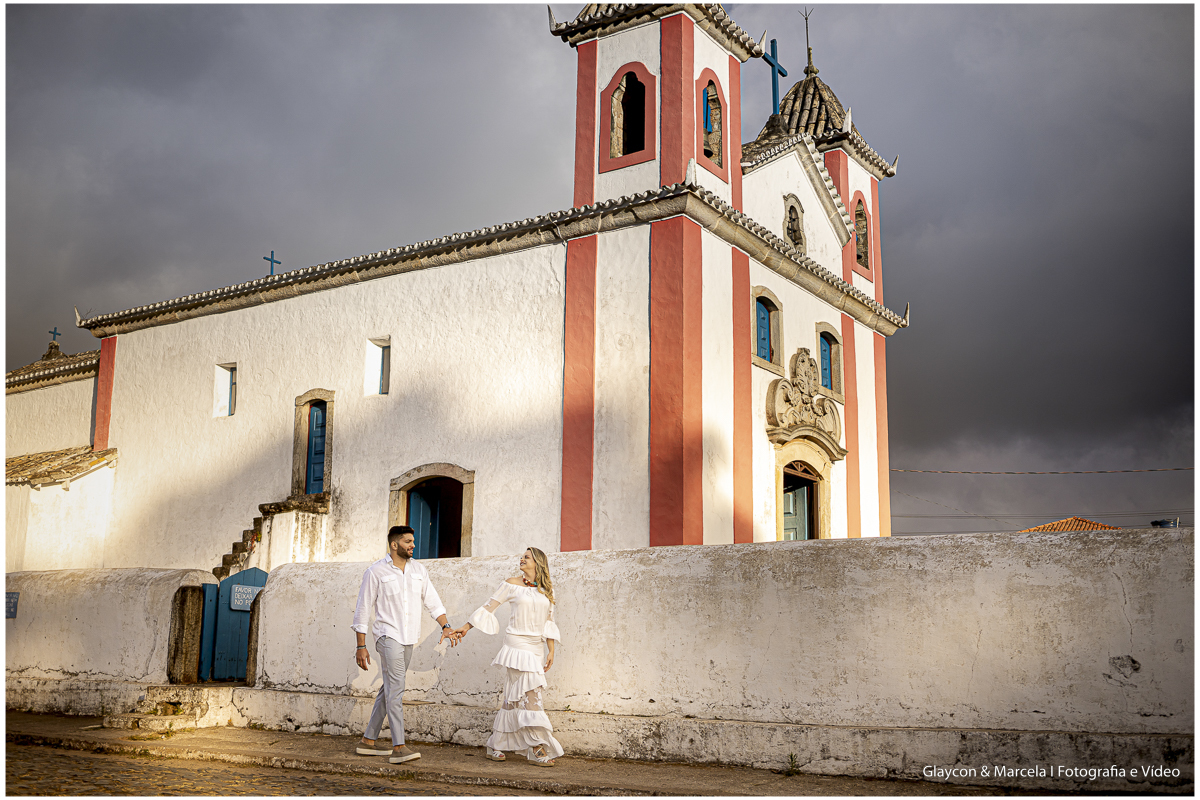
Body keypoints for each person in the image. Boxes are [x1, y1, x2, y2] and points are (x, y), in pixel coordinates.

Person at [351, 525, 460, 764]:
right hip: (387, 636)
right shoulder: (375, 572)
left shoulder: (419, 570)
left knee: (389, 687)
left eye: (413, 541)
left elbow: (433, 602)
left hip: (409, 637)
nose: (413, 545)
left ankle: (368, 741)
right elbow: (362, 609)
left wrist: (446, 626)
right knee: (397, 689)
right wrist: (361, 646)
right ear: (394, 544)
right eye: (408, 541)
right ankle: (399, 746)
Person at [454, 547, 563, 767]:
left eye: (527, 557)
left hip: (536, 647)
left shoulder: (547, 590)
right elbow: (488, 606)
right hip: (516, 644)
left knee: (513, 697)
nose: (522, 559)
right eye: (522, 556)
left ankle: (495, 744)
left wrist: (551, 650)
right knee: (532, 694)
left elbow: (549, 622)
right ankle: (536, 747)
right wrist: (466, 627)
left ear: (538, 563)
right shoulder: (511, 583)